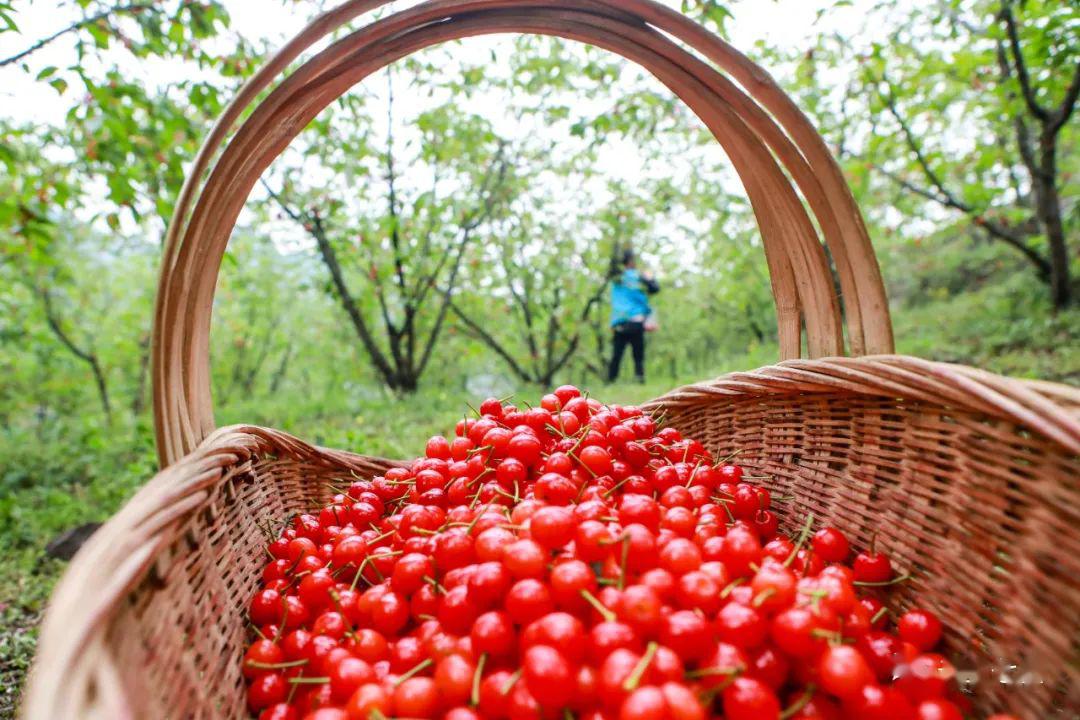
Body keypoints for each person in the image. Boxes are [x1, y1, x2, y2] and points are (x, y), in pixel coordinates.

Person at [607, 249, 660, 383]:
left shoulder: (617, 278)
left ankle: (611, 380)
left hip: (619, 321)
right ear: (631, 261)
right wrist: (649, 277)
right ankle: (639, 378)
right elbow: (655, 288)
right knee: (638, 355)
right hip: (636, 320)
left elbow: (611, 267)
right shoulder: (639, 277)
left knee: (617, 354)